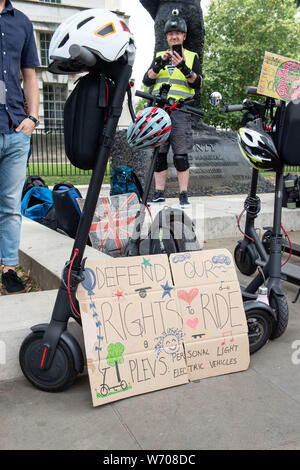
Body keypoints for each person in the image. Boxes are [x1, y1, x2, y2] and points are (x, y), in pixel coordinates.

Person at [0, 0, 40, 294]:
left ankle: (9, 268)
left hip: (15, 127)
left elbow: (30, 76)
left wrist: (33, 119)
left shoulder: (22, 22)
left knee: (11, 206)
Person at [143, 12, 202, 206]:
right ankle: (159, 192)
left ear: (184, 36)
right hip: (159, 110)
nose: (174, 36)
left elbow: (197, 83)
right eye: (170, 33)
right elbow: (147, 80)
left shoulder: (192, 56)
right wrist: (159, 64)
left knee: (180, 155)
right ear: (166, 37)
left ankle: (183, 194)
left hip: (180, 111)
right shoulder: (160, 56)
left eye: (178, 33)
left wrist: (184, 68)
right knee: (159, 154)